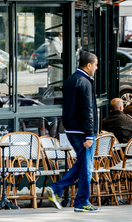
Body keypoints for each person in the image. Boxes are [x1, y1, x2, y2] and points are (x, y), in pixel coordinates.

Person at [46, 52, 100, 212]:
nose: (96, 68)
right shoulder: (85, 82)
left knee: (82, 163)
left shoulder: (71, 80)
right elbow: (87, 110)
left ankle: (57, 188)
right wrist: (90, 134)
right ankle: (81, 202)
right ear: (89, 65)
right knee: (86, 167)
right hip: (83, 131)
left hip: (71, 128)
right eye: (95, 65)